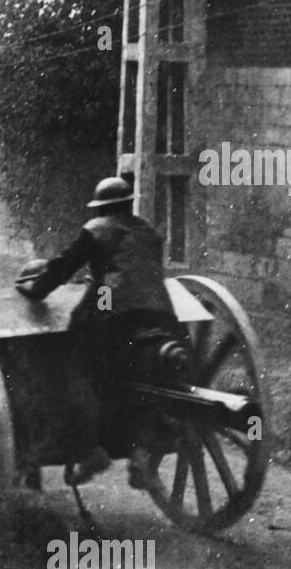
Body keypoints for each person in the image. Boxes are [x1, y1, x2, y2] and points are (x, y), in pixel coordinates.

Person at [14, 176, 181, 487]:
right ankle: (140, 453)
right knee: (139, 381)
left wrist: (34, 290)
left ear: (101, 209)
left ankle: (88, 450)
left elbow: (64, 266)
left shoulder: (96, 230)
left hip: (112, 311)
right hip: (162, 314)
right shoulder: (150, 233)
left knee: (70, 368)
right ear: (129, 204)